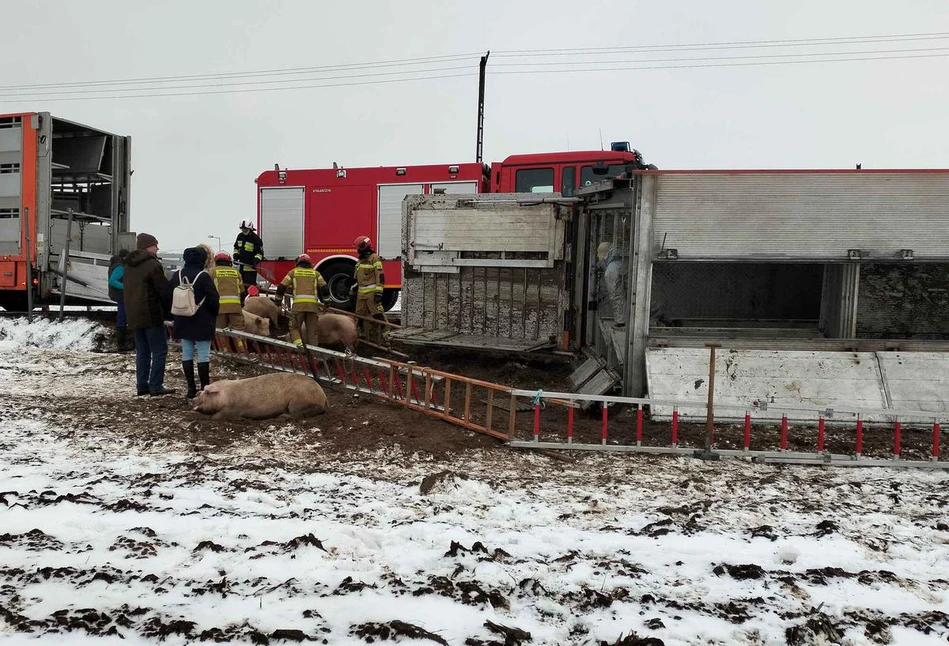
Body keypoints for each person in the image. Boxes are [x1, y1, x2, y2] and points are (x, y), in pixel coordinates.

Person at [124, 233, 175, 396]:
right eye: (155, 245)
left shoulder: (129, 266)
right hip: (151, 314)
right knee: (159, 350)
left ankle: (142, 385)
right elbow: (163, 291)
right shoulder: (152, 265)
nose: (158, 248)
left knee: (142, 351)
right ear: (148, 247)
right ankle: (155, 385)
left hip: (133, 315)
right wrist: (170, 311)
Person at [169, 246, 220, 399]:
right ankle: (204, 388)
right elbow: (213, 299)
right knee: (203, 354)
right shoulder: (203, 276)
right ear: (201, 259)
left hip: (182, 319)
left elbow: (168, 295)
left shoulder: (176, 275)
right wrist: (213, 315)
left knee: (187, 353)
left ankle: (191, 388)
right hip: (202, 320)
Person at [276, 254, 329, 346]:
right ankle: (314, 355)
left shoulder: (293, 272)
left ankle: (299, 347)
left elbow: (281, 287)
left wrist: (278, 300)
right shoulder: (316, 274)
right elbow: (324, 288)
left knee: (294, 328)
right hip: (312, 307)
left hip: (298, 307)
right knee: (312, 332)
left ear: (298, 263)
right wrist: (327, 302)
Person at [351, 235, 387, 345]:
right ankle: (361, 335)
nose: (356, 250)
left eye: (358, 248)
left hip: (372, 293)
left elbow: (380, 276)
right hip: (361, 294)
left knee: (378, 314)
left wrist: (379, 292)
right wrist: (353, 288)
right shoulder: (361, 260)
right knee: (359, 316)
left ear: (363, 246)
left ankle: (386, 336)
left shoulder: (374, 258)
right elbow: (358, 278)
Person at [210, 252, 246, 352]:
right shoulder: (236, 273)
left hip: (219, 308)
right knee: (238, 332)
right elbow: (242, 292)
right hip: (235, 307)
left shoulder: (212, 272)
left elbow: (208, 290)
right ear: (229, 262)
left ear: (216, 262)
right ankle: (242, 353)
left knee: (220, 332)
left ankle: (225, 352)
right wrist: (241, 304)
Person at [108, 248, 133, 351]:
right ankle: (122, 345)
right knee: (123, 318)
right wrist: (125, 286)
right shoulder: (120, 267)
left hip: (118, 295)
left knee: (122, 317)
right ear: (125, 257)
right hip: (121, 295)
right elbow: (112, 281)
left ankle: (122, 343)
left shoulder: (115, 264)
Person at [597, 241, 627, 327]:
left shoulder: (612, 269)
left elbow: (616, 295)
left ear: (604, 254)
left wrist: (620, 321)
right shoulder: (623, 262)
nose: (597, 256)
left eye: (598, 253)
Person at [233, 221, 264, 291]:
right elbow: (236, 248)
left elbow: (259, 253)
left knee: (250, 288)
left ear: (250, 229)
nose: (244, 231)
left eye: (245, 230)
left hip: (251, 268)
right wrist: (235, 255)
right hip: (241, 266)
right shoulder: (240, 236)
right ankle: (243, 300)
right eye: (243, 229)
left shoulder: (256, 239)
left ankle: (252, 300)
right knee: (242, 286)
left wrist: (255, 261)